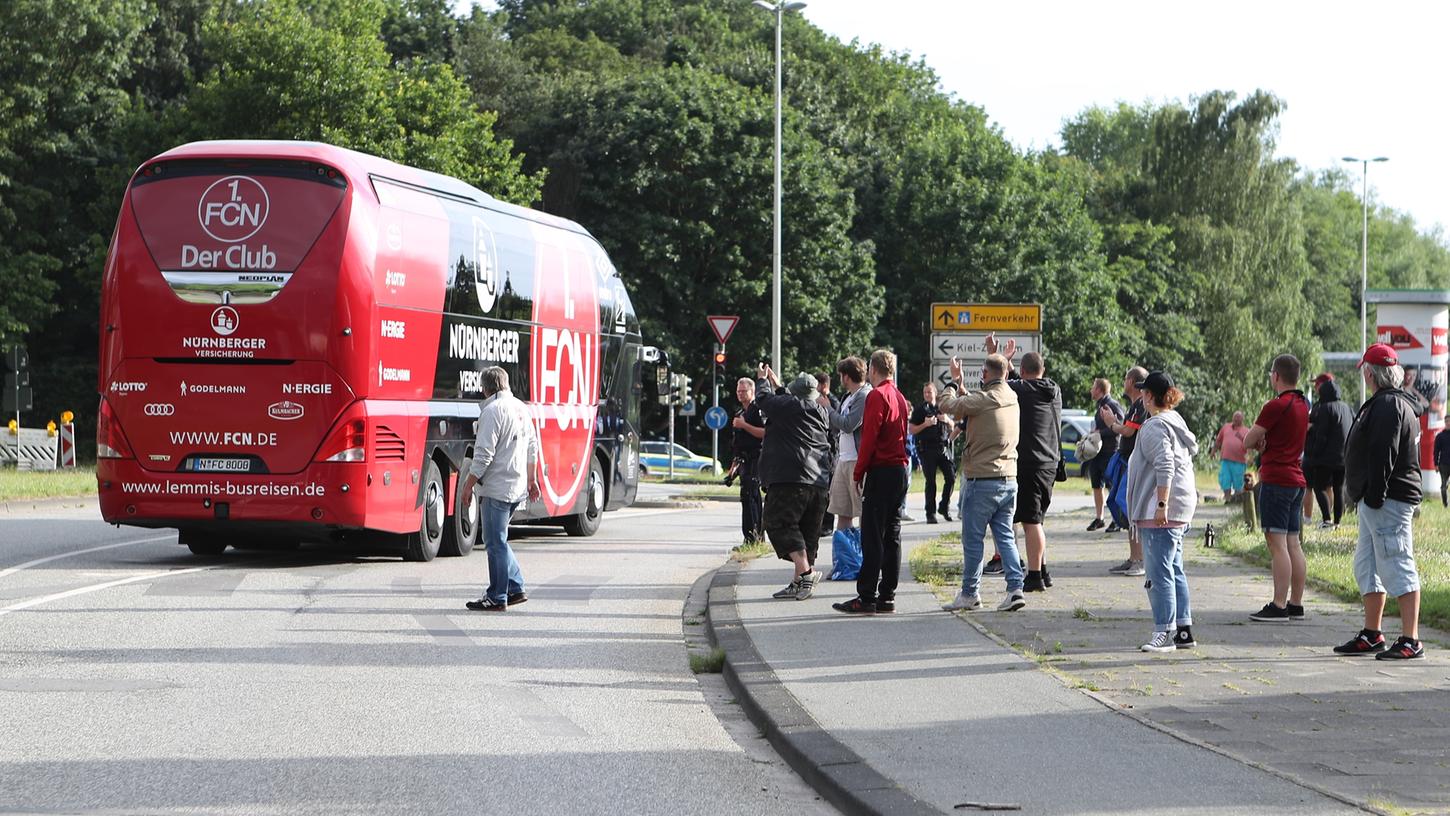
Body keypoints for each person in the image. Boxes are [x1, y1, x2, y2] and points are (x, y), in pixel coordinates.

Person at [1333, 343, 1426, 660]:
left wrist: (1372, 495)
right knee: (1368, 566)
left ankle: (1411, 638)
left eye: (1365, 371)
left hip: (1387, 498)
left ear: (1370, 373)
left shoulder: (1388, 406)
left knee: (1397, 562)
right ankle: (1373, 633)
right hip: (1377, 499)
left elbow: (1383, 454)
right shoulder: (1391, 402)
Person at [936, 353, 1026, 613]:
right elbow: (977, 404)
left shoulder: (984, 399)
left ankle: (970, 594)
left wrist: (954, 383)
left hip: (982, 479)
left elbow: (947, 405)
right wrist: (965, 390)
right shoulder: (1011, 397)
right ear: (1006, 374)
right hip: (1008, 478)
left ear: (985, 375)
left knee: (973, 540)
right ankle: (1015, 588)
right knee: (1005, 536)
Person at [833, 350, 911, 615]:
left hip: (881, 470)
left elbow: (869, 437)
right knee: (892, 534)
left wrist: (859, 473)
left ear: (872, 370)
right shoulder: (899, 396)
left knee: (872, 534)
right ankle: (887, 595)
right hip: (900, 469)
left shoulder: (877, 396)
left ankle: (866, 596)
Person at [1127, 372, 1200, 653]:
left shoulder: (1154, 426)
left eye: (1144, 392)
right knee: (1174, 569)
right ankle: (1183, 630)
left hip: (1161, 510)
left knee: (1159, 574)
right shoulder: (1175, 420)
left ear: (1149, 396)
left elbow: (1165, 465)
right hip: (1180, 507)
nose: (1142, 396)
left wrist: (1161, 505)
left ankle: (1164, 632)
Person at [462, 367, 541, 612]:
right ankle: (516, 588)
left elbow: (483, 455)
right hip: (517, 485)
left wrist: (468, 486)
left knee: (494, 542)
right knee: (500, 540)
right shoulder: (521, 408)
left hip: (497, 486)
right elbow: (532, 446)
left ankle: (497, 596)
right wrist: (532, 479)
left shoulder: (492, 411)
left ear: (485, 388)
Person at [987, 335, 1061, 593]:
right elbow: (1018, 382)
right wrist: (1008, 362)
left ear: (1023, 370)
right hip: (1050, 462)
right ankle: (1042, 569)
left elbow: (1001, 385)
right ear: (1043, 371)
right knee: (1036, 520)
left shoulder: (1022, 391)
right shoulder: (1053, 390)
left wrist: (998, 357)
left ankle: (1034, 577)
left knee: (1031, 522)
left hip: (1031, 463)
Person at [755, 366, 833, 602]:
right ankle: (799, 582)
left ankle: (806, 573)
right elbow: (787, 401)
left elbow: (764, 400)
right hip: (819, 480)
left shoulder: (788, 406)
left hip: (792, 478)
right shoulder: (821, 411)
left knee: (778, 522)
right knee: (808, 533)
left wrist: (762, 381)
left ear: (793, 393)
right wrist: (779, 386)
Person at [1243, 354, 1310, 623]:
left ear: (1276, 376)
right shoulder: (1303, 404)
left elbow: (1248, 440)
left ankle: (1278, 605)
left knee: (1277, 544)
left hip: (1276, 479)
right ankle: (1296, 604)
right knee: (1294, 544)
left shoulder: (1274, 405)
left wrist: (1262, 441)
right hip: (1296, 478)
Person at [1100, 367, 1149, 575]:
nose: (1123, 382)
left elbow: (1128, 431)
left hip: (1135, 464)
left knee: (1132, 510)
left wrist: (1111, 424)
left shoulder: (1141, 406)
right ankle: (1133, 557)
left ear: (1132, 381)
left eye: (1125, 378)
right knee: (1126, 509)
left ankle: (1140, 560)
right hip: (1126, 462)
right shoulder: (1134, 406)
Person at [824, 357, 872, 532]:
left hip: (857, 461)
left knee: (862, 511)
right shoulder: (848, 396)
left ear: (846, 376)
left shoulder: (864, 395)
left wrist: (828, 409)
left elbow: (849, 423)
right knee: (842, 512)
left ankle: (863, 554)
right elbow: (837, 425)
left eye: (841, 375)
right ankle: (845, 555)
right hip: (843, 460)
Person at [1304, 375, 1355, 528]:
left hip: (1325, 458)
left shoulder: (1326, 408)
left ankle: (1326, 520)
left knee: (1319, 488)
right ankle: (1338, 522)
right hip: (1344, 457)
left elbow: (1322, 435)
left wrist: (1314, 454)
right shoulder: (1347, 408)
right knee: (1338, 489)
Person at [910, 383, 957, 524]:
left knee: (951, 477)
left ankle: (944, 506)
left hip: (942, 447)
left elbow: (953, 425)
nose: (927, 395)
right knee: (931, 482)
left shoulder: (942, 407)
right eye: (925, 392)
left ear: (935, 393)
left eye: (929, 392)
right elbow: (911, 429)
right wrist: (925, 424)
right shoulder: (919, 410)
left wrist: (947, 420)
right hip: (927, 449)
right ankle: (930, 513)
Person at [730, 377, 766, 544]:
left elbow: (765, 433)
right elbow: (737, 443)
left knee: (752, 495)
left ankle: (756, 537)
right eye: (738, 391)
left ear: (752, 392)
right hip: (743, 459)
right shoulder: (739, 413)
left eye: (743, 391)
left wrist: (744, 426)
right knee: (745, 496)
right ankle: (749, 537)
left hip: (757, 457)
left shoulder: (758, 410)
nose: (740, 394)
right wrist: (733, 466)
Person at [1087, 378, 1124, 530]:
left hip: (1109, 451)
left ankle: (1118, 519)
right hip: (1097, 452)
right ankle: (1099, 517)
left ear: (1099, 390)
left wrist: (1099, 433)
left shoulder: (1112, 405)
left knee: (1112, 485)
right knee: (1096, 484)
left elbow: (1120, 426)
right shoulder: (1100, 405)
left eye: (1093, 387)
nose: (1091, 390)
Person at [816, 372, 841, 535]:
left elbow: (836, 425)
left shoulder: (832, 402)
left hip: (830, 451)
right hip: (818, 449)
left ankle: (827, 524)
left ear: (824, 386)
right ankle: (819, 523)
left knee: (827, 490)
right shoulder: (815, 400)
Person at [1211, 412, 1249, 503]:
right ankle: (1227, 499)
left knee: (1238, 482)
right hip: (1226, 459)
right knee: (1225, 479)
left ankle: (1236, 500)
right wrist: (1213, 451)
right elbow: (1218, 441)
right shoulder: (1226, 427)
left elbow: (1250, 446)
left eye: (1238, 418)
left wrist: (1250, 456)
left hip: (1239, 461)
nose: (1236, 419)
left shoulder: (1246, 431)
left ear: (1242, 419)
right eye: (1235, 417)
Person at [1436, 425, 1450, 508]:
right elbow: (1436, 451)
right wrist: (1436, 464)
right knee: (1444, 486)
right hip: (1443, 464)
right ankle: (1445, 504)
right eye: (1447, 421)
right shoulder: (1440, 436)